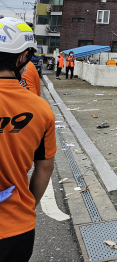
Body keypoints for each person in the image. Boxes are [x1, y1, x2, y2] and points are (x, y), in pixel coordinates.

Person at [0, 17, 56, 262]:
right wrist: (28, 205)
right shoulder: (41, 110)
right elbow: (44, 168)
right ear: (22, 57)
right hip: (15, 227)